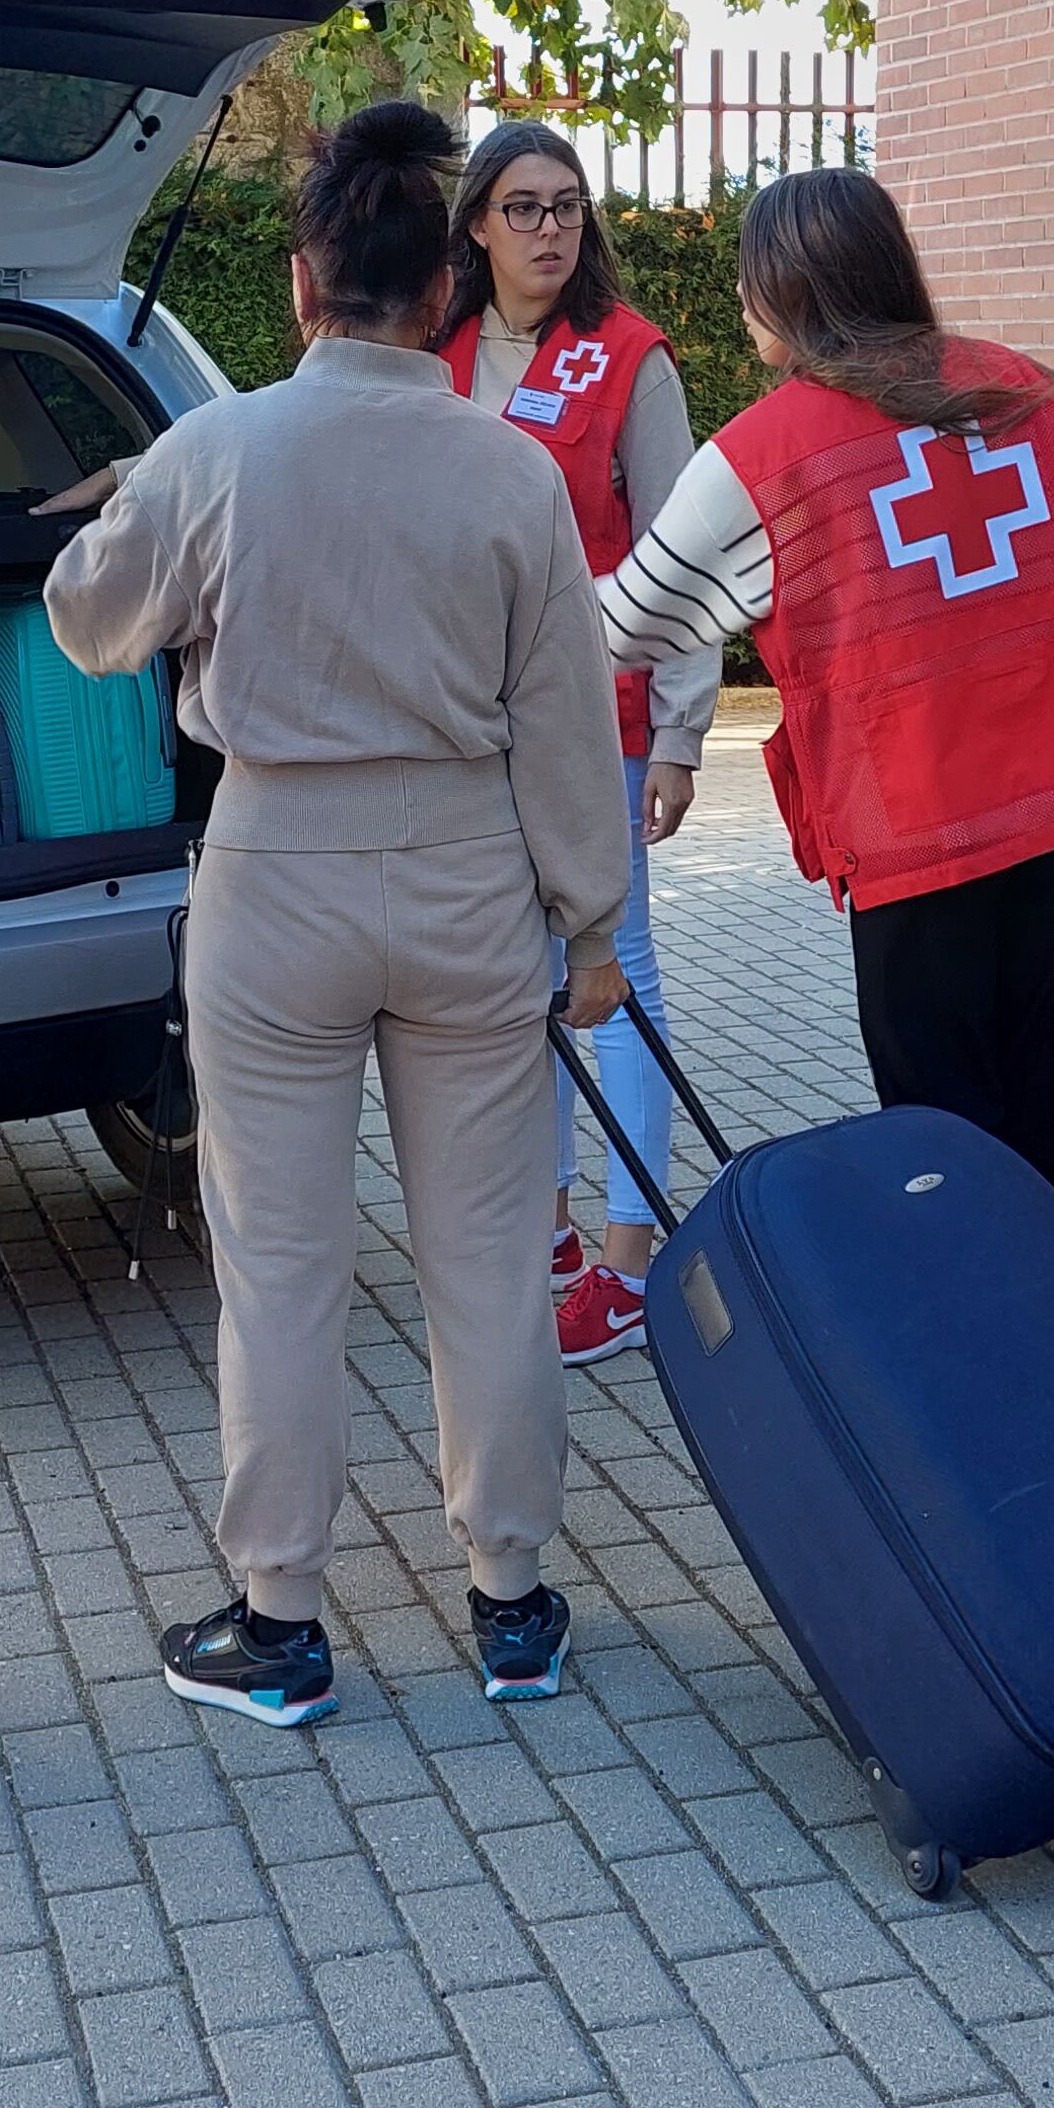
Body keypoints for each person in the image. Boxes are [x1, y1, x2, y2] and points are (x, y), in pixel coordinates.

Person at [44, 100, 633, 1725]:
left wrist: (128, 519)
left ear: (301, 282)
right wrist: (588, 929)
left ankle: (279, 1614)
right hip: (465, 879)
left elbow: (86, 619)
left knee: (282, 1263)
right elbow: (564, 721)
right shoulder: (509, 473)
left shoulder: (216, 449)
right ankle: (510, 1599)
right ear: (442, 293)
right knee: (490, 1257)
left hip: (274, 876)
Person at [602, 166, 1054, 1201]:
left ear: (790, 288)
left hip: (922, 842)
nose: (738, 300)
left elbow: (627, 622)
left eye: (748, 278)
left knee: (942, 1135)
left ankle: (970, 1341)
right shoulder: (1020, 390)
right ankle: (1046, 1334)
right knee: (1045, 1118)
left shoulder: (764, 453)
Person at [437, 123, 715, 1368]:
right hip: (466, 721)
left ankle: (628, 1256)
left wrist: (681, 735)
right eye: (524, 207)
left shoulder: (630, 358)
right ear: (479, 225)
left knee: (618, 971)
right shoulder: (435, 352)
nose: (552, 229)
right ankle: (548, 1233)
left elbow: (685, 553)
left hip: (597, 720)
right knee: (524, 978)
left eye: (568, 207)